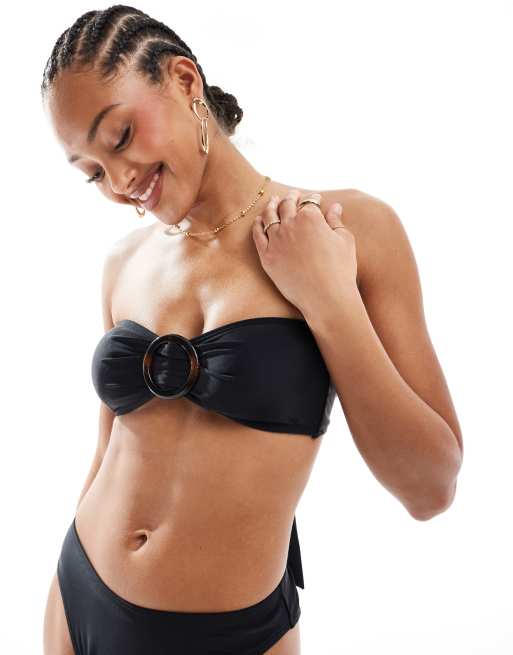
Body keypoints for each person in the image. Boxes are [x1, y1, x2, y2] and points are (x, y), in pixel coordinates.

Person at [41, 5, 464, 655]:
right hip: (80, 598)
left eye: (120, 136)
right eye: (92, 172)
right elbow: (106, 455)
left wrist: (327, 300)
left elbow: (430, 488)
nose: (119, 182)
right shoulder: (123, 264)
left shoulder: (347, 228)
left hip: (234, 635)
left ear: (184, 80)